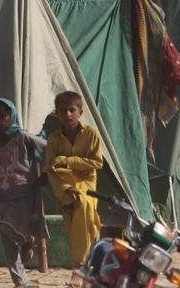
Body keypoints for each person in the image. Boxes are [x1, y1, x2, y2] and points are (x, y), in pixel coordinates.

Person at [0, 98, 49, 288]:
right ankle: (20, 282)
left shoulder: (24, 137)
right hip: (4, 198)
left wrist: (45, 173)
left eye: (2, 116)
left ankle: (27, 238)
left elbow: (49, 150)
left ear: (11, 116)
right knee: (8, 242)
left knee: (7, 228)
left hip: (24, 196)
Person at [46, 91, 103, 266]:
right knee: (77, 204)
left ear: (80, 112)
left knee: (83, 203)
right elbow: (51, 170)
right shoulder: (54, 139)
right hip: (64, 186)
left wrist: (68, 161)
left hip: (86, 184)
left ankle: (79, 263)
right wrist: (64, 188)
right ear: (57, 113)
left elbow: (96, 162)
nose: (68, 115)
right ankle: (83, 262)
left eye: (71, 110)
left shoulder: (91, 134)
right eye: (62, 111)